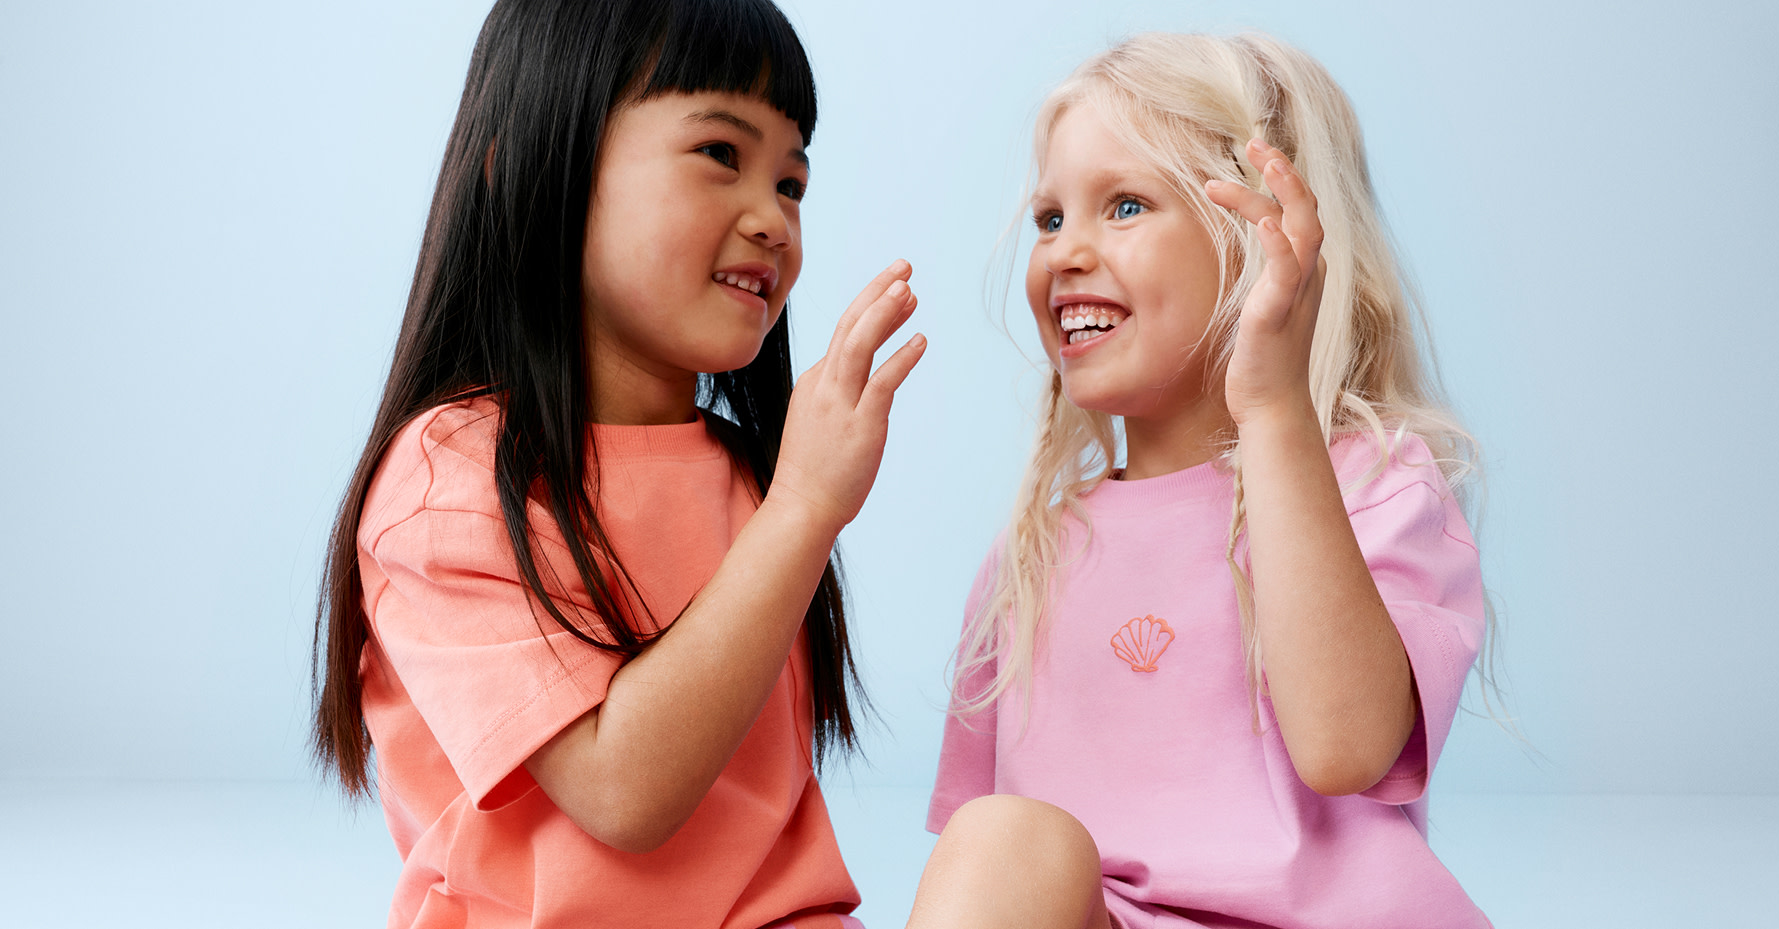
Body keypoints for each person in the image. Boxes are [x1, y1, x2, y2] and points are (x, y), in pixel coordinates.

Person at [309, 1, 925, 926]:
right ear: (529, 164)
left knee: (1027, 846)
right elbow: (625, 793)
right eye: (722, 154)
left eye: (791, 182)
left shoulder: (751, 472)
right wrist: (803, 509)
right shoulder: (448, 481)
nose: (772, 220)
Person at [912, 32, 1493, 929]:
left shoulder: (1373, 485)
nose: (1066, 251)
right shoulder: (1028, 557)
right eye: (1050, 218)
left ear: (1262, 241)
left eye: (1127, 205)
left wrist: (1273, 411)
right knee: (999, 843)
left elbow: (1347, 748)